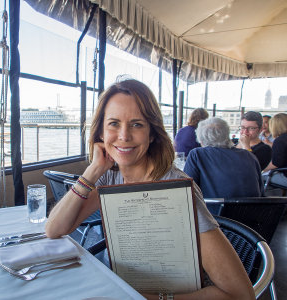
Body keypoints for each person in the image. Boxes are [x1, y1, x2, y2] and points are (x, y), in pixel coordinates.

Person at [45, 79, 254, 300]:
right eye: (114, 123)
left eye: (137, 124)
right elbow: (54, 229)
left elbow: (241, 294)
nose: (124, 136)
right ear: (100, 133)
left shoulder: (176, 189)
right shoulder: (110, 176)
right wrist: (93, 170)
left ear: (152, 133)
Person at [184, 117, 263, 199]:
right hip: (252, 210)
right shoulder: (250, 155)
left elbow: (186, 190)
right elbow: (261, 192)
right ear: (226, 135)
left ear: (201, 140)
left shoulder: (197, 154)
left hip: (214, 210)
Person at [263, 113, 287, 187]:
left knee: (258, 177)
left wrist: (261, 169)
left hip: (285, 176)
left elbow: (275, 163)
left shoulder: (280, 140)